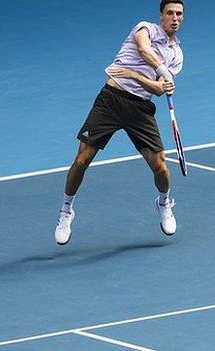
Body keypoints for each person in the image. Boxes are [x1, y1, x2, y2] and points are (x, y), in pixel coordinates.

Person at [54, 0, 186, 245]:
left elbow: (157, 90)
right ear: (161, 15)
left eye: (179, 14)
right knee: (82, 160)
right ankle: (65, 210)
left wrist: (136, 75)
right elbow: (145, 52)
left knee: (161, 168)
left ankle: (164, 202)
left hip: (140, 110)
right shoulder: (144, 28)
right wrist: (161, 72)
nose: (175, 18)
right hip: (111, 101)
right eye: (170, 13)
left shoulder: (176, 55)